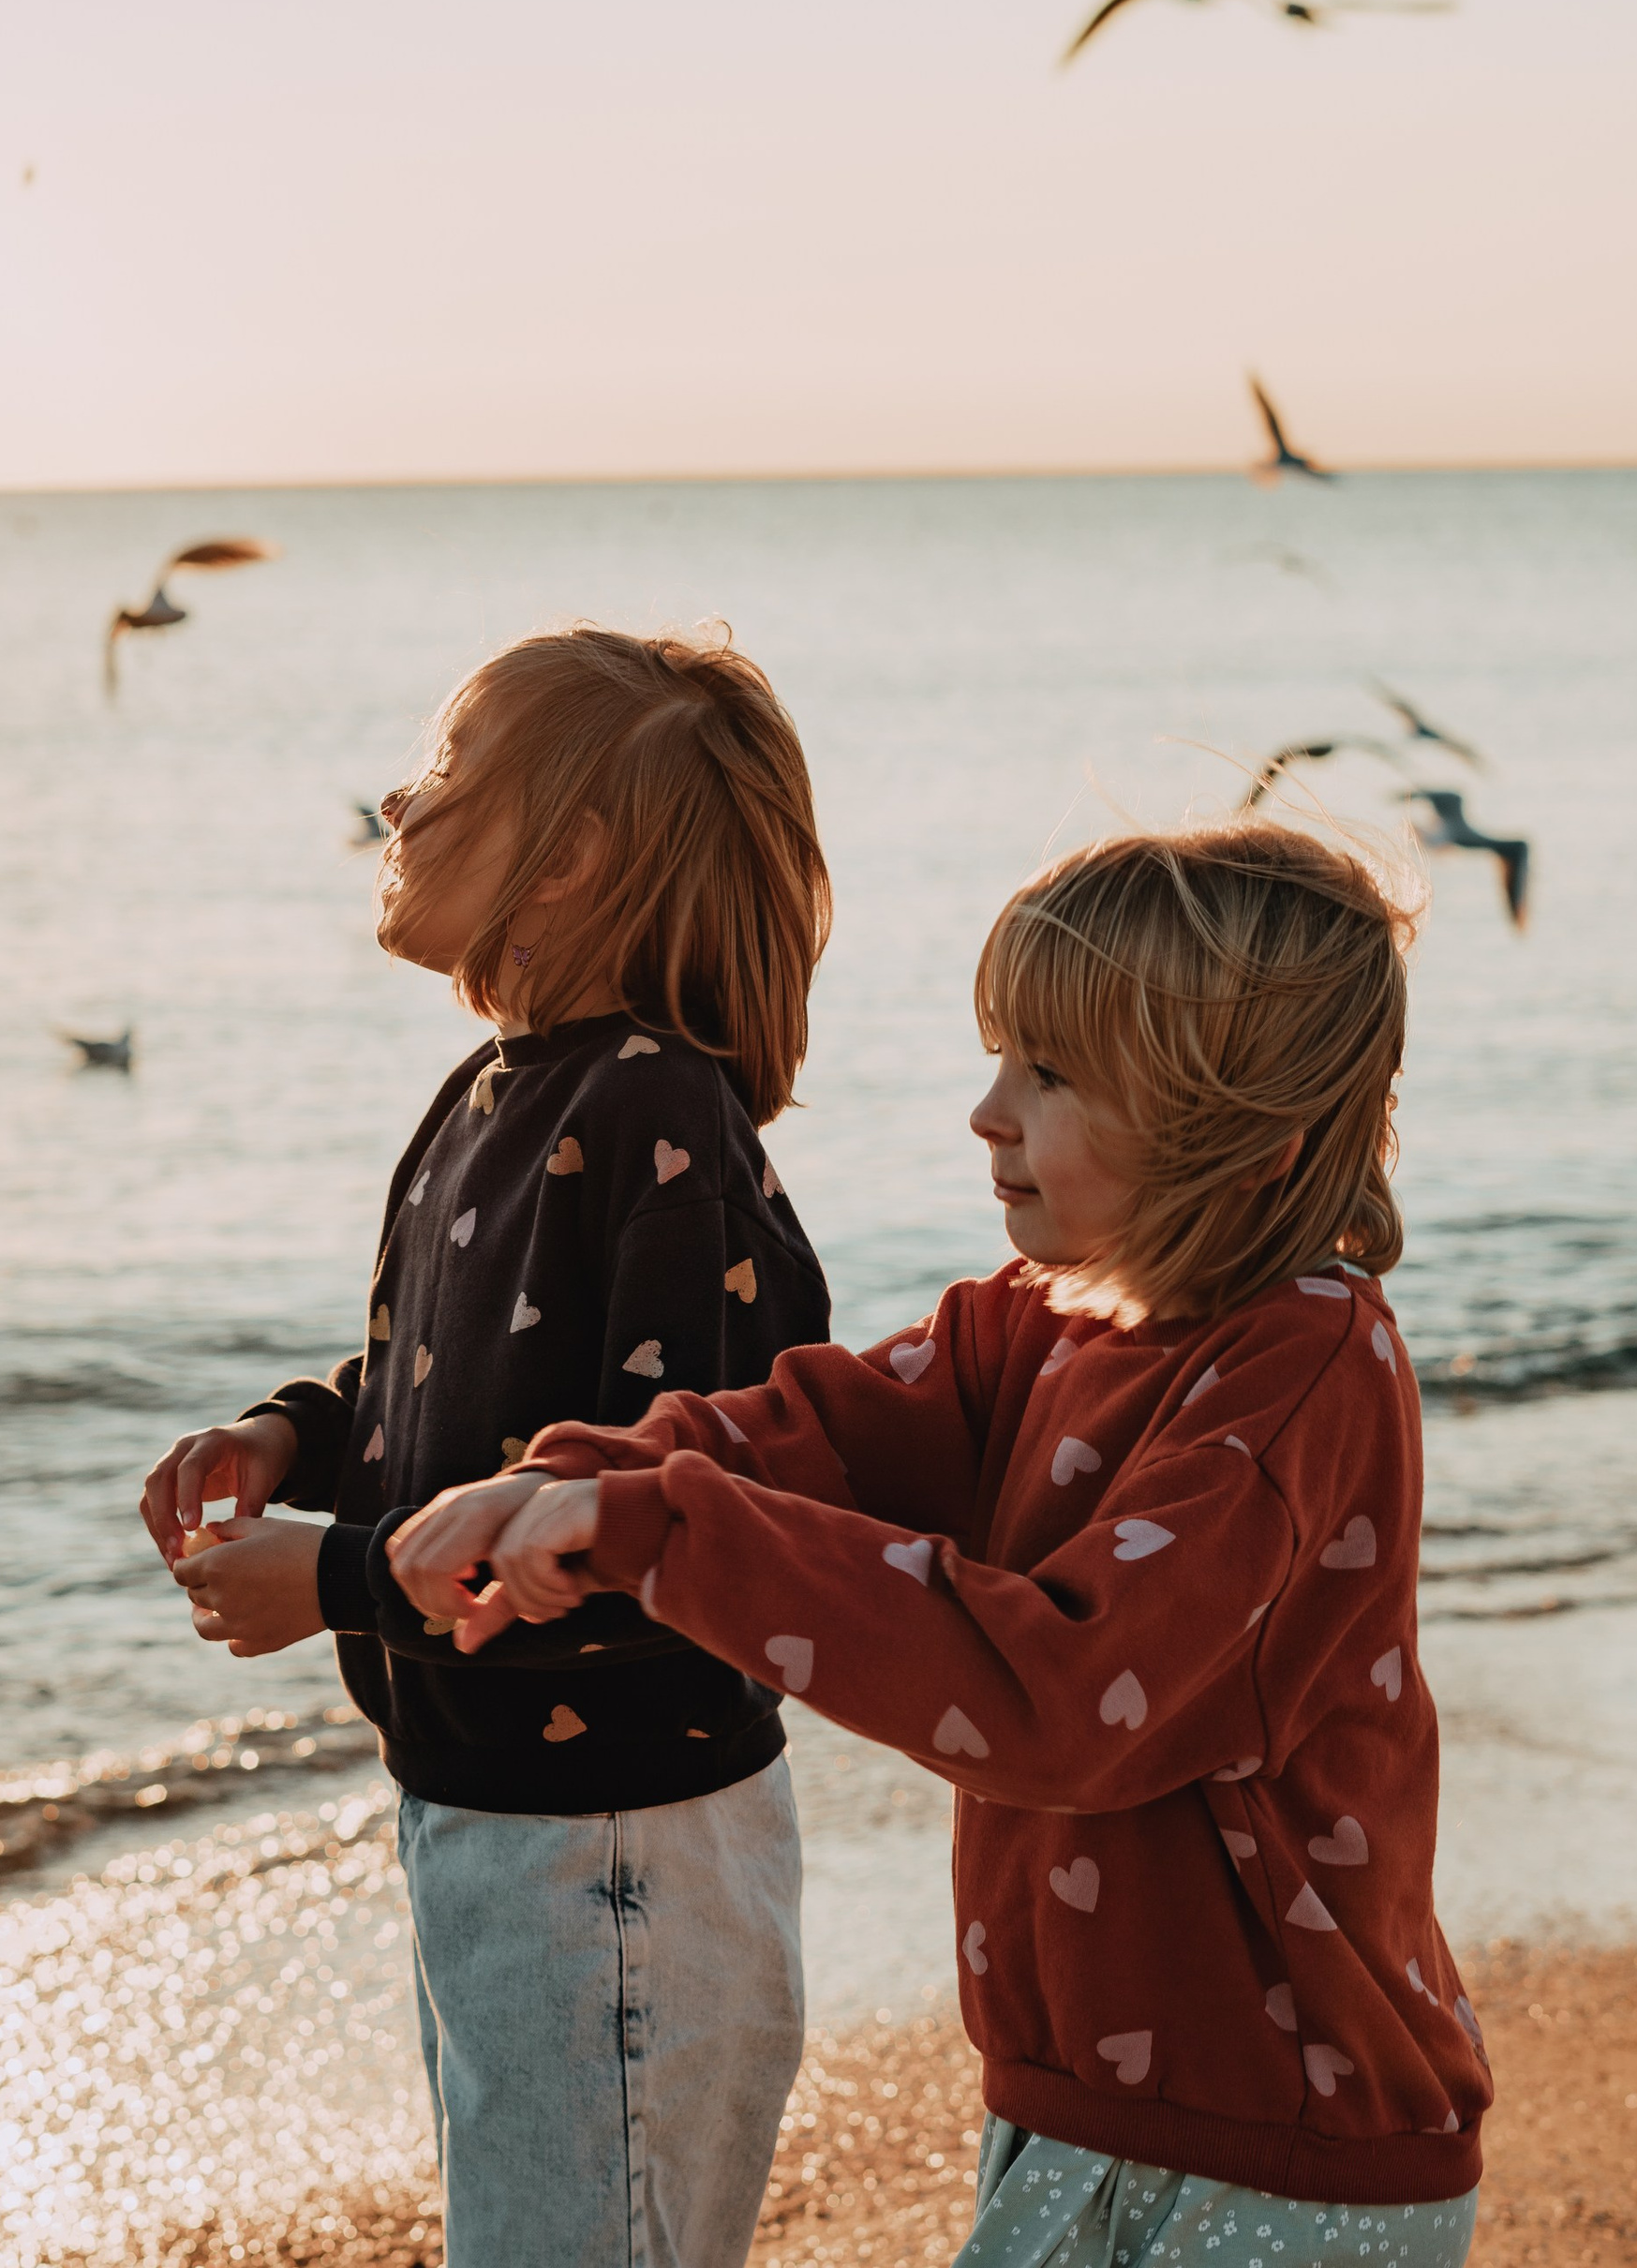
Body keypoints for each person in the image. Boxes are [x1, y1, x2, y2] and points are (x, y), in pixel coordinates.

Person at [393, 822, 1492, 2268]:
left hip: (1288, 2142)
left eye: (1051, 1076)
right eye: (1001, 1059)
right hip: (1079, 2105)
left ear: (1246, 1136)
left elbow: (1059, 1696)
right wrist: (586, 1478)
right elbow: (815, 1435)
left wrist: (665, 1529)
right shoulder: (1036, 1322)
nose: (988, 1113)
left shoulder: (1306, 1372)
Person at [139, 627, 836, 2268]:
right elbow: (435, 1398)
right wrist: (289, 1436)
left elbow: (651, 1519)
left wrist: (334, 1576)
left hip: (621, 1847)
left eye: (447, 777)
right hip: (492, 1818)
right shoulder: (490, 1097)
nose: (402, 802)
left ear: (574, 859)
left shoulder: (660, 1111)